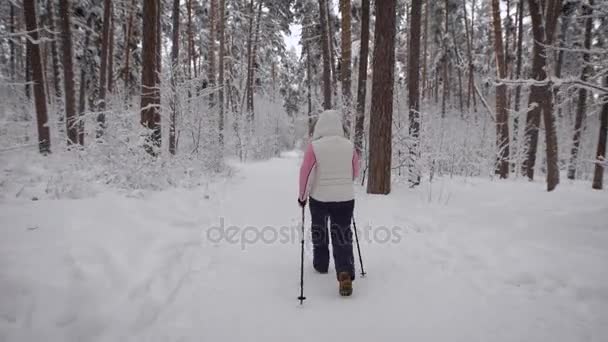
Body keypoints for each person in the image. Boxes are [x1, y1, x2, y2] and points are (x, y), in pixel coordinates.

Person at [298, 110, 360, 296]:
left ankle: (321, 264)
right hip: (345, 198)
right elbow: (355, 172)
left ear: (320, 127)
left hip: (319, 198)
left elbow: (305, 173)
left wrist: (302, 196)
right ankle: (345, 272)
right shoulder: (349, 146)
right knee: (342, 234)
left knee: (319, 229)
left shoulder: (314, 147)